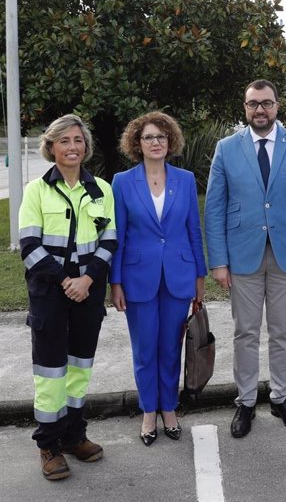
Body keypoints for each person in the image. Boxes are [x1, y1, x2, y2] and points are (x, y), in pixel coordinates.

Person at [205, 79, 286, 438]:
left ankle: (282, 397)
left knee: (282, 331)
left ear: (277, 107)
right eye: (253, 103)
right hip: (242, 256)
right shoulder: (226, 149)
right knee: (245, 332)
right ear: (245, 108)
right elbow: (214, 209)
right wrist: (219, 261)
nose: (260, 110)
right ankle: (245, 401)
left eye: (267, 103)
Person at [19, 114, 117, 480]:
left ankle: (75, 435)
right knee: (50, 373)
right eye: (64, 141)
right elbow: (29, 246)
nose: (72, 147)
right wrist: (67, 281)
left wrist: (88, 280)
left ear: (85, 146)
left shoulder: (101, 190)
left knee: (79, 369)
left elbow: (110, 241)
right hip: (50, 295)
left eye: (78, 140)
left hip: (88, 295)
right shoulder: (36, 190)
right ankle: (48, 444)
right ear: (51, 147)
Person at [110, 111, 206, 446]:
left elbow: (193, 231)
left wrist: (199, 277)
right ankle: (148, 411)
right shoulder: (122, 182)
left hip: (179, 277)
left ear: (171, 142)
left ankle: (169, 408)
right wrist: (116, 282)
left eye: (161, 137)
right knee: (145, 350)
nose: (156, 142)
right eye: (149, 137)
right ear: (137, 143)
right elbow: (118, 235)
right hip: (138, 279)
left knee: (170, 349)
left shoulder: (185, 178)